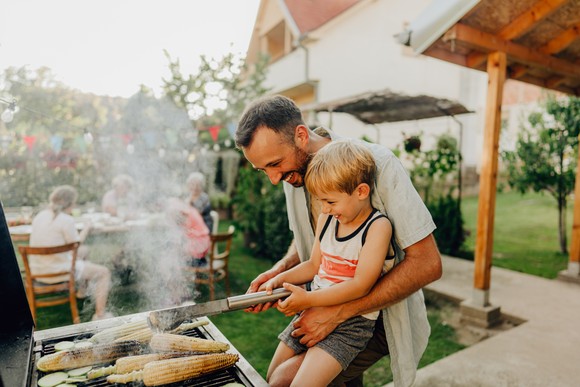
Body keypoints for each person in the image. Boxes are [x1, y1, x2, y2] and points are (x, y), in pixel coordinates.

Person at [235, 95, 442, 387]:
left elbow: (428, 264)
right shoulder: (293, 173)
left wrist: (336, 313)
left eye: (275, 164)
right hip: (323, 301)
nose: (273, 178)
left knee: (282, 380)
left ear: (301, 136)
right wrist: (279, 272)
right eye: (263, 170)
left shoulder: (379, 164)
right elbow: (314, 241)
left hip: (376, 317)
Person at [264, 141, 395, 387]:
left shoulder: (377, 227)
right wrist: (279, 279)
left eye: (331, 202)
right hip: (313, 309)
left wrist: (308, 299)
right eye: (321, 201)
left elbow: (360, 286)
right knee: (272, 379)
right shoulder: (327, 218)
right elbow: (314, 265)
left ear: (361, 191)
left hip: (351, 324)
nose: (324, 209)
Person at [30, 185, 113, 321]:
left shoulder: (40, 216)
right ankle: (100, 315)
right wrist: (87, 227)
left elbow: (73, 248)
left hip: (38, 271)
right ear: (69, 203)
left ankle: (81, 292)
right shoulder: (65, 219)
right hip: (59, 271)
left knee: (84, 251)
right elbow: (76, 244)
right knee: (104, 272)